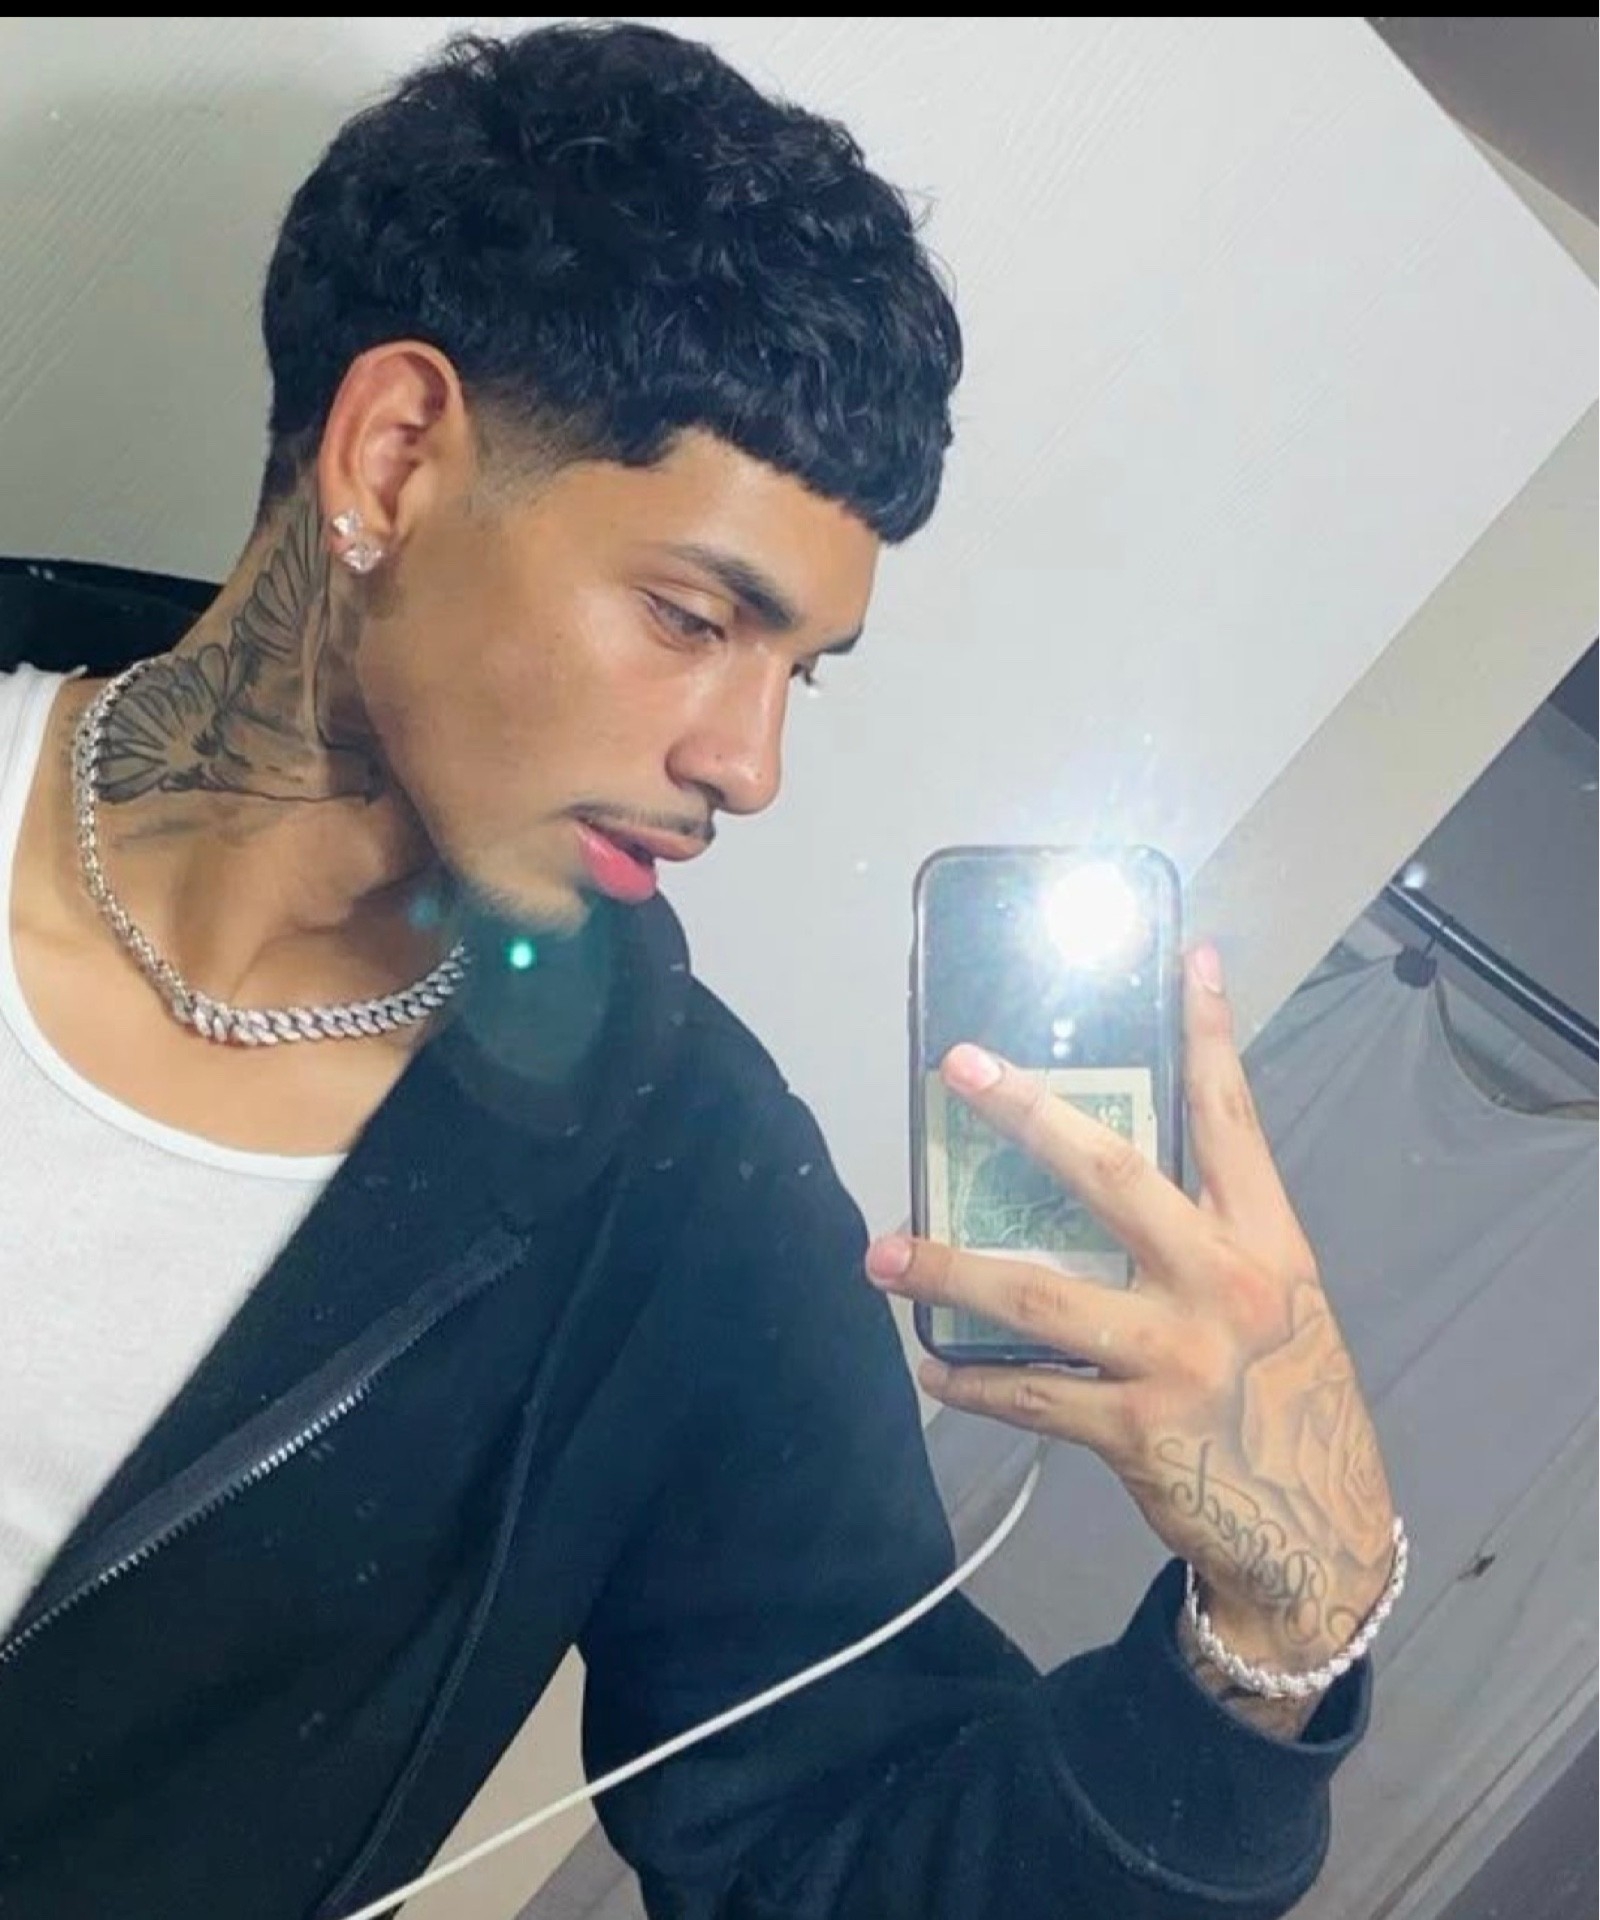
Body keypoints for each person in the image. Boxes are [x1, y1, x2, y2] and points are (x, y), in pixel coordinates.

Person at [0, 20, 1403, 1920]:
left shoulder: (682, 1195)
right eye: (689, 617)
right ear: (394, 458)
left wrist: (1280, 1642)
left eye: (798, 671)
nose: (749, 765)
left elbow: (844, 1858)